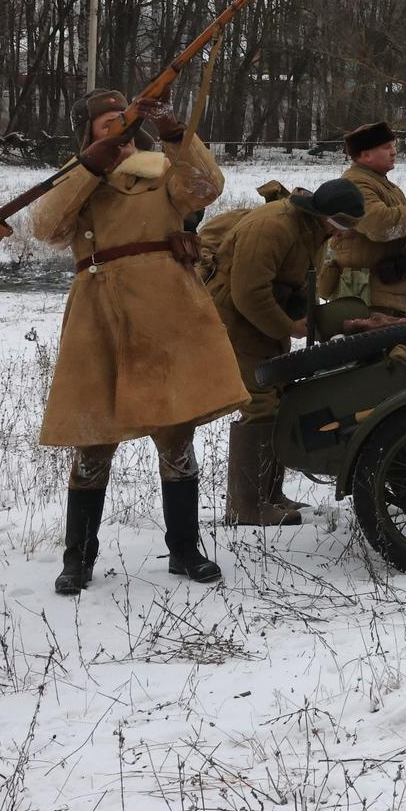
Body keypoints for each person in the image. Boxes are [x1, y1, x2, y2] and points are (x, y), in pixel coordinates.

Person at [33, 89, 248, 589]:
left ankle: (185, 551)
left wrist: (175, 133)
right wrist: (89, 168)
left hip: (167, 313)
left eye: (125, 120)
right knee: (93, 442)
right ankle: (78, 558)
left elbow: (207, 185)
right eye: (107, 122)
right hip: (99, 316)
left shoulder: (162, 168)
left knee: (176, 438)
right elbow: (47, 228)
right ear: (87, 132)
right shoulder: (76, 177)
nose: (118, 129)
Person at [204, 178, 370, 544]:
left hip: (266, 318)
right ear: (326, 215)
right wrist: (288, 327)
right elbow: (248, 293)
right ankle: (247, 505)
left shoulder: (313, 228)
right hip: (237, 318)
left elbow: (298, 284)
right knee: (260, 402)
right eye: (341, 226)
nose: (342, 235)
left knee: (280, 398)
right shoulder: (273, 227)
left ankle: (270, 495)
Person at [318, 120, 406, 322]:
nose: (394, 152)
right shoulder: (355, 184)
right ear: (365, 155)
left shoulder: (384, 185)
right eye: (386, 147)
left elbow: (405, 227)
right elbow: (380, 225)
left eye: (394, 146)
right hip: (364, 297)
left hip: (384, 292)